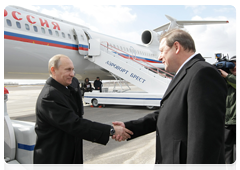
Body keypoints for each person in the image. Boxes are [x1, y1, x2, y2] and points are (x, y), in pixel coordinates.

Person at [113, 29, 227, 170]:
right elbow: (168, 113)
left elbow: (205, 140)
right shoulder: (187, 74)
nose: (159, 57)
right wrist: (130, 127)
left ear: (177, 47)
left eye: (162, 51)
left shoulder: (203, 74)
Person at [33, 54, 133, 170]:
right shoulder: (50, 96)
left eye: (73, 69)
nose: (72, 73)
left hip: (70, 157)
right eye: (68, 70)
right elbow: (75, 124)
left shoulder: (66, 88)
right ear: (53, 70)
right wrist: (110, 130)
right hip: (55, 161)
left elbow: (78, 112)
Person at [219, 56, 238, 170]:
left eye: (236, 64)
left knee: (237, 151)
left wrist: (227, 76)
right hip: (227, 121)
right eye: (232, 65)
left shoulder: (231, 79)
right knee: (227, 149)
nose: (234, 67)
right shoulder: (226, 80)